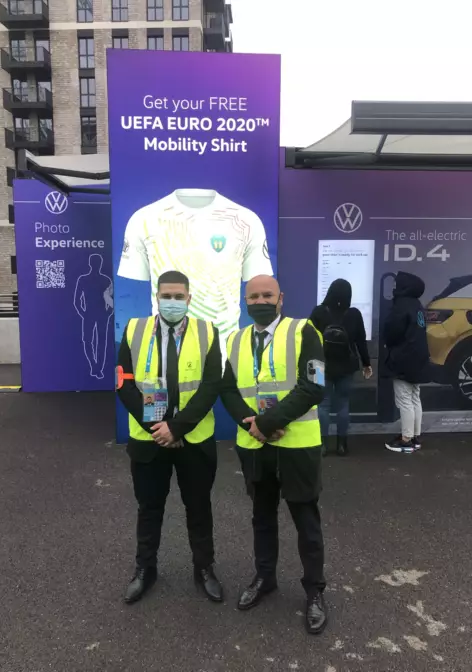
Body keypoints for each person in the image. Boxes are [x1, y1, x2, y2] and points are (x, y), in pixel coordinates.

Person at [221, 274, 328, 635]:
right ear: (245, 301)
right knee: (262, 518)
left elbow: (313, 386)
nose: (260, 301)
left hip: (296, 446)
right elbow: (228, 389)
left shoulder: (304, 331)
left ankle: (315, 592)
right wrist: (252, 424)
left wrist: (269, 421)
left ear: (280, 298)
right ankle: (265, 578)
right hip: (255, 447)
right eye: (254, 296)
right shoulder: (235, 339)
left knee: (306, 523)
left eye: (267, 295)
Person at [116, 270, 224, 604]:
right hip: (150, 441)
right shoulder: (134, 331)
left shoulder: (208, 332)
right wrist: (158, 429)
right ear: (157, 297)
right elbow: (125, 384)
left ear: (189, 299)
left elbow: (210, 387)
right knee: (149, 508)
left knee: (199, 507)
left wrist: (177, 428)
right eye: (167, 296)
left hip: (193, 441)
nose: (172, 302)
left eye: (179, 296)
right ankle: (145, 569)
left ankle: (204, 568)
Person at [117, 189, 273, 347]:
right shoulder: (144, 219)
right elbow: (132, 286)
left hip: (225, 349)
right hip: (164, 348)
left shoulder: (246, 220)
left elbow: (259, 281)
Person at [310, 279, 372, 457]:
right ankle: (342, 445)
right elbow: (360, 341)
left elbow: (308, 337)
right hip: (346, 366)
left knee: (322, 405)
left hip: (320, 365)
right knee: (343, 404)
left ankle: (321, 445)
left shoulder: (319, 312)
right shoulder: (354, 314)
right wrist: (366, 363)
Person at [383, 272, 431, 454]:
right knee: (414, 397)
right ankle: (415, 436)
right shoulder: (416, 305)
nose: (394, 287)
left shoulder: (401, 305)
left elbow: (392, 331)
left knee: (404, 400)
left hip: (403, 358)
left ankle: (406, 440)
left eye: (396, 284)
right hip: (417, 358)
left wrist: (389, 343)